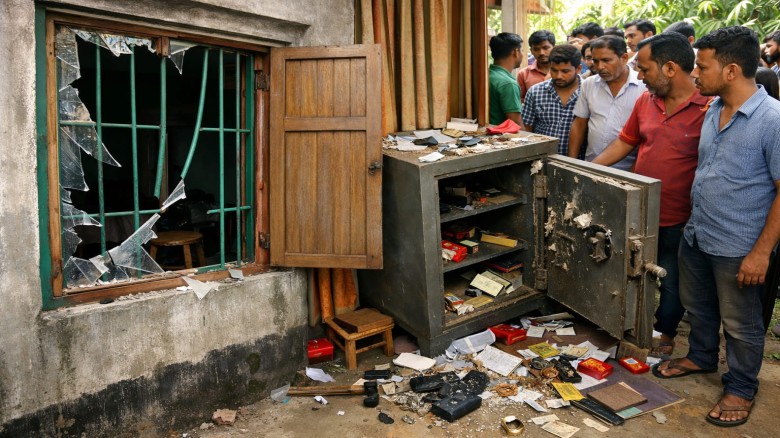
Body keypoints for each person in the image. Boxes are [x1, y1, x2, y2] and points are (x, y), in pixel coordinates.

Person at [652, 26, 780, 428]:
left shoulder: (772, 120)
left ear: (730, 71)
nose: (694, 75)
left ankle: (741, 387)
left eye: (702, 67)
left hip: (738, 245)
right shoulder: (712, 109)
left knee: (742, 323)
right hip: (698, 233)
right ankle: (702, 356)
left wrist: (760, 253)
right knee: (699, 306)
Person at [592, 32, 708, 358]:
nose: (640, 77)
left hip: (681, 217)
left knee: (672, 281)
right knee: (630, 272)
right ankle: (629, 325)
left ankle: (665, 332)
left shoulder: (710, 108)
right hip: (640, 213)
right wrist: (586, 169)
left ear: (670, 68)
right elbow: (625, 142)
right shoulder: (646, 101)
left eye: (645, 69)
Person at [567, 36, 646, 170]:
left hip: (628, 171)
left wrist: (635, 171)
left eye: (606, 60)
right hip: (591, 166)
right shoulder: (589, 85)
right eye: (595, 61)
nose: (600, 67)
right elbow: (579, 124)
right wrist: (571, 163)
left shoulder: (643, 87)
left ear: (624, 58)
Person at [522, 44, 582, 156]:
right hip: (541, 159)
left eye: (565, 71)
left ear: (578, 69)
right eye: (554, 70)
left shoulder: (588, 92)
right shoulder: (535, 92)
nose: (558, 76)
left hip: (579, 161)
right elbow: (527, 129)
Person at [488, 32, 524, 126]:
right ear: (515, 52)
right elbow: (516, 124)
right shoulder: (508, 84)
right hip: (500, 137)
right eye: (521, 50)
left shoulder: (485, 75)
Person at [517, 30, 555, 103]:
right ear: (531, 50)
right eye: (536, 49)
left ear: (554, 47)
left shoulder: (563, 71)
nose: (541, 53)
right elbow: (521, 101)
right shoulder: (524, 74)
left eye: (545, 48)